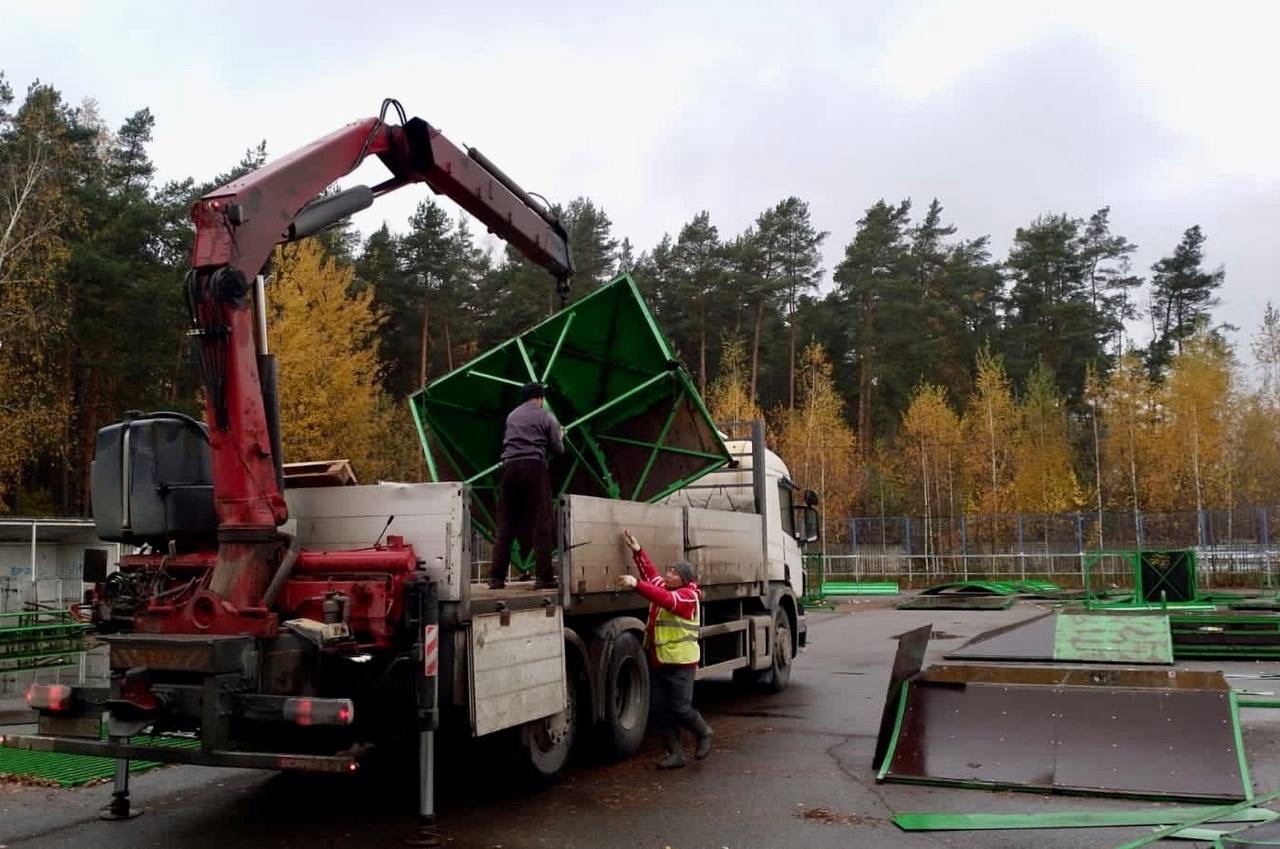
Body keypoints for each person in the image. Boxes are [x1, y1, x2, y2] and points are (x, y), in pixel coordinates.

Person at [615, 529, 714, 769]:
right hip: (660, 660)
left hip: (681, 662)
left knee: (680, 707)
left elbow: (665, 599)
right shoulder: (667, 587)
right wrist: (638, 551)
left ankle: (704, 732)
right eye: (668, 571)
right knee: (660, 709)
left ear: (683, 579)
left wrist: (636, 585)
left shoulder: (688, 596)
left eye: (673, 573)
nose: (667, 575)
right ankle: (675, 753)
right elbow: (652, 576)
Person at [489, 382, 564, 590]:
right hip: (533, 467)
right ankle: (544, 577)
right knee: (542, 521)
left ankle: (496, 578)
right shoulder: (546, 416)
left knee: (506, 523)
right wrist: (561, 436)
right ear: (540, 398)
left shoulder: (512, 416)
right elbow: (558, 448)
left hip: (509, 468)